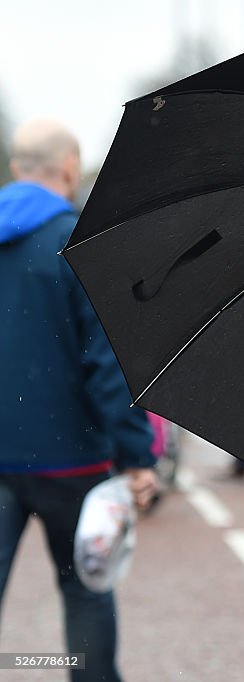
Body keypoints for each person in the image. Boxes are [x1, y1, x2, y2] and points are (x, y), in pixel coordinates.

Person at [0, 119, 158, 681]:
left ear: (18, 167)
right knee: (86, 590)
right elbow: (109, 364)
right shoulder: (78, 244)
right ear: (69, 167)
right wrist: (137, 456)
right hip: (72, 458)